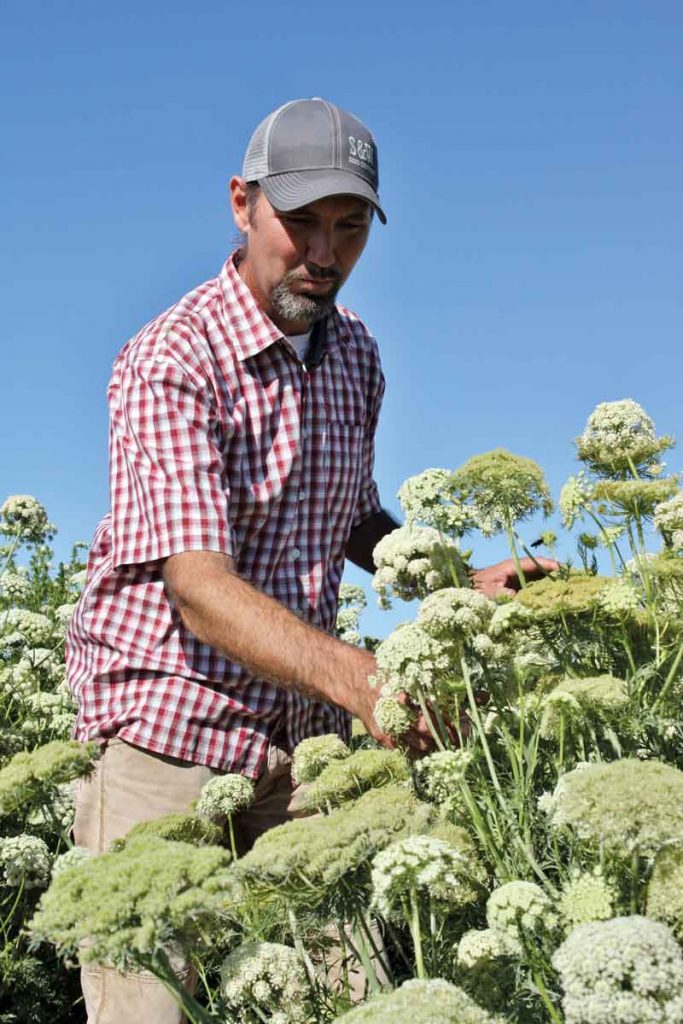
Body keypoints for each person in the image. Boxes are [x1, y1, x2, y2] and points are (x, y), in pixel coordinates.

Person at [66, 97, 553, 1023]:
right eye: (300, 224)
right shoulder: (173, 357)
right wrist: (363, 681)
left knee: (351, 996)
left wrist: (453, 581)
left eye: (349, 226)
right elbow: (198, 588)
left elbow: (346, 515)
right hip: (166, 729)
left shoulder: (355, 355)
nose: (323, 255)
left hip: (297, 740)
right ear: (242, 204)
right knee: (148, 1003)